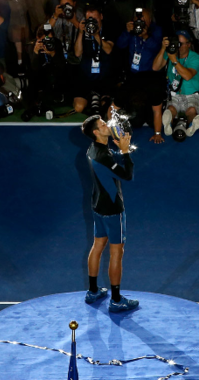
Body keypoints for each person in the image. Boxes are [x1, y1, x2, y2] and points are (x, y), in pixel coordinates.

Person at [81, 114, 138, 313]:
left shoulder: (93, 149)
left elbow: (106, 163)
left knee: (97, 246)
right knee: (116, 253)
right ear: (97, 132)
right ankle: (115, 300)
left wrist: (117, 150)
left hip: (97, 206)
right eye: (103, 124)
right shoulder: (104, 156)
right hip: (113, 209)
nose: (108, 125)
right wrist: (125, 152)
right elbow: (128, 176)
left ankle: (93, 291)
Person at [113, 8, 165, 144]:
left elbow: (157, 47)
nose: (140, 22)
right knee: (136, 122)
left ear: (149, 20)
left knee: (153, 121)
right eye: (137, 19)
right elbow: (120, 44)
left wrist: (145, 36)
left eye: (143, 19)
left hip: (152, 76)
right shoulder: (131, 31)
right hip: (134, 76)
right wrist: (127, 31)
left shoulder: (156, 30)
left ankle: (151, 115)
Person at [153, 30, 199, 138]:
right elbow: (155, 67)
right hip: (174, 93)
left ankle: (192, 124)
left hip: (191, 94)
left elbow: (187, 76)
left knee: (192, 110)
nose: (178, 47)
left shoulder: (195, 57)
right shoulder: (171, 53)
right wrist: (163, 49)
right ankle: (168, 123)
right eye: (176, 43)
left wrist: (174, 60)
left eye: (181, 44)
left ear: (188, 44)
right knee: (171, 109)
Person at [72, 5, 115, 114]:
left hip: (104, 79)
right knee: (78, 107)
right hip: (86, 78)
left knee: (107, 107)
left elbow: (109, 50)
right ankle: (91, 100)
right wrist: (81, 33)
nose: (91, 22)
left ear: (101, 16)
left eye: (94, 19)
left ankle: (97, 100)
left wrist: (96, 35)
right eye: (89, 19)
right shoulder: (83, 30)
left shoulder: (109, 29)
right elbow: (77, 53)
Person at [46, 0, 84, 64]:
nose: (66, 8)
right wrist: (55, 16)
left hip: (77, 57)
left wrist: (74, 21)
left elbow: (87, 32)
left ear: (74, 3)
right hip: (60, 55)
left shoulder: (80, 15)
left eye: (68, 4)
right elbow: (45, 30)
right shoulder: (57, 16)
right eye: (63, 5)